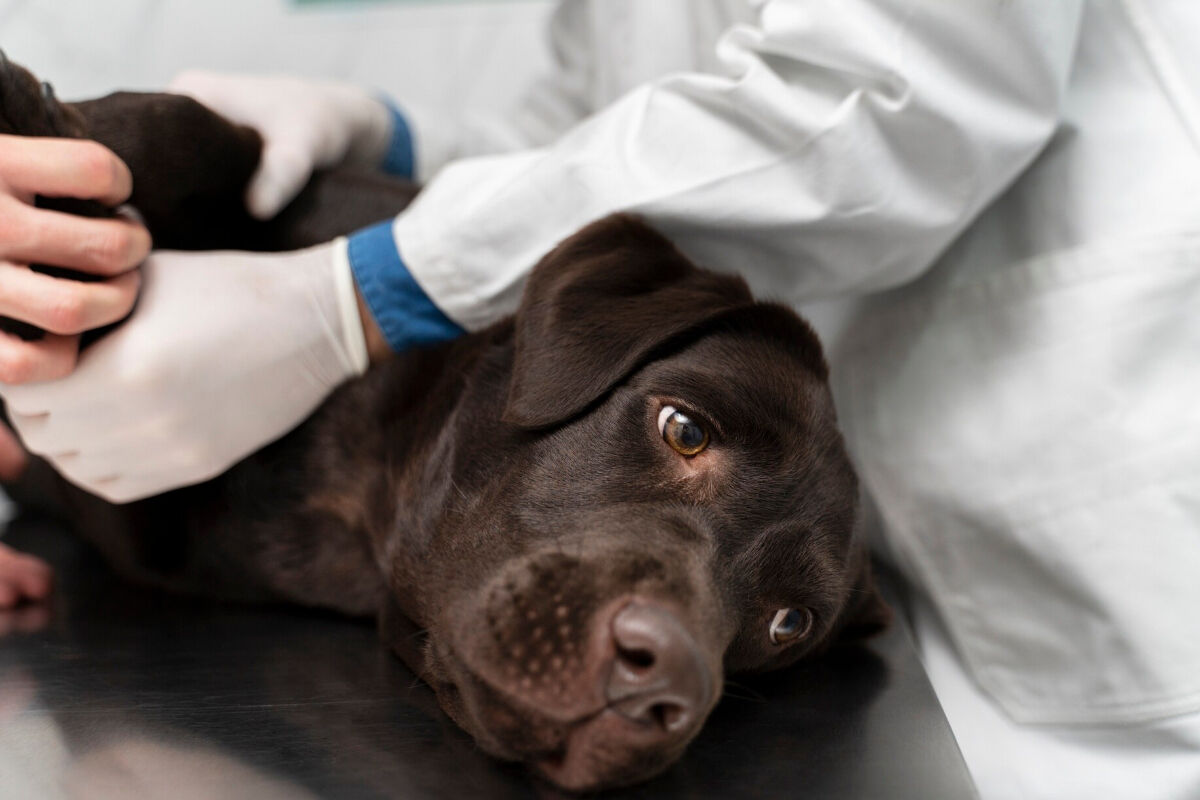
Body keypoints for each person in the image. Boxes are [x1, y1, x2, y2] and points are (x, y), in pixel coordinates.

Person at [0, 1, 1197, 797]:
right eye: (677, 437)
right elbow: (597, 142)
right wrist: (384, 130)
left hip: (1113, 582)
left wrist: (360, 293)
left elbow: (898, 93)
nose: (680, 664)